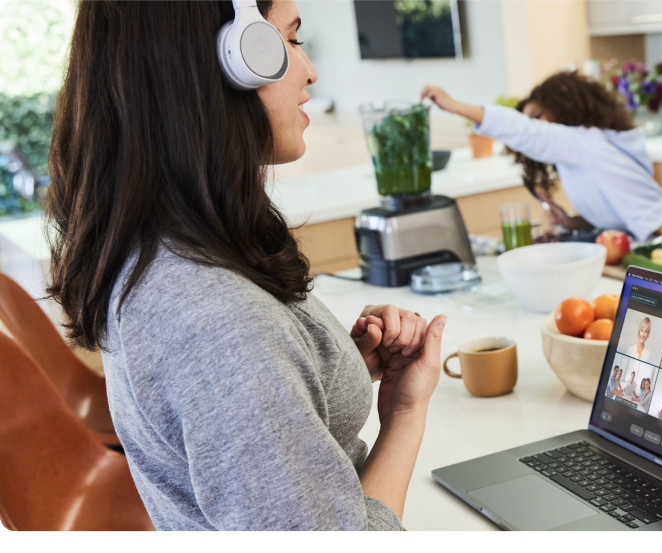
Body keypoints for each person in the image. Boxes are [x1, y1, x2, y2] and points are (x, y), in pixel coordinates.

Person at [45, 0, 448, 532]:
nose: (309, 70)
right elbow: (234, 356)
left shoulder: (163, 251)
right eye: (290, 39)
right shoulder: (222, 325)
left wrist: (311, 372)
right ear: (236, 58)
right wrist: (406, 413)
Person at [421, 73, 662, 241]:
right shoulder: (578, 154)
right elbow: (618, 217)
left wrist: (455, 106)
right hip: (648, 241)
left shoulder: (584, 143)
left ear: (567, 109)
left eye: (538, 116)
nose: (535, 125)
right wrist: (573, 223)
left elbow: (528, 133)